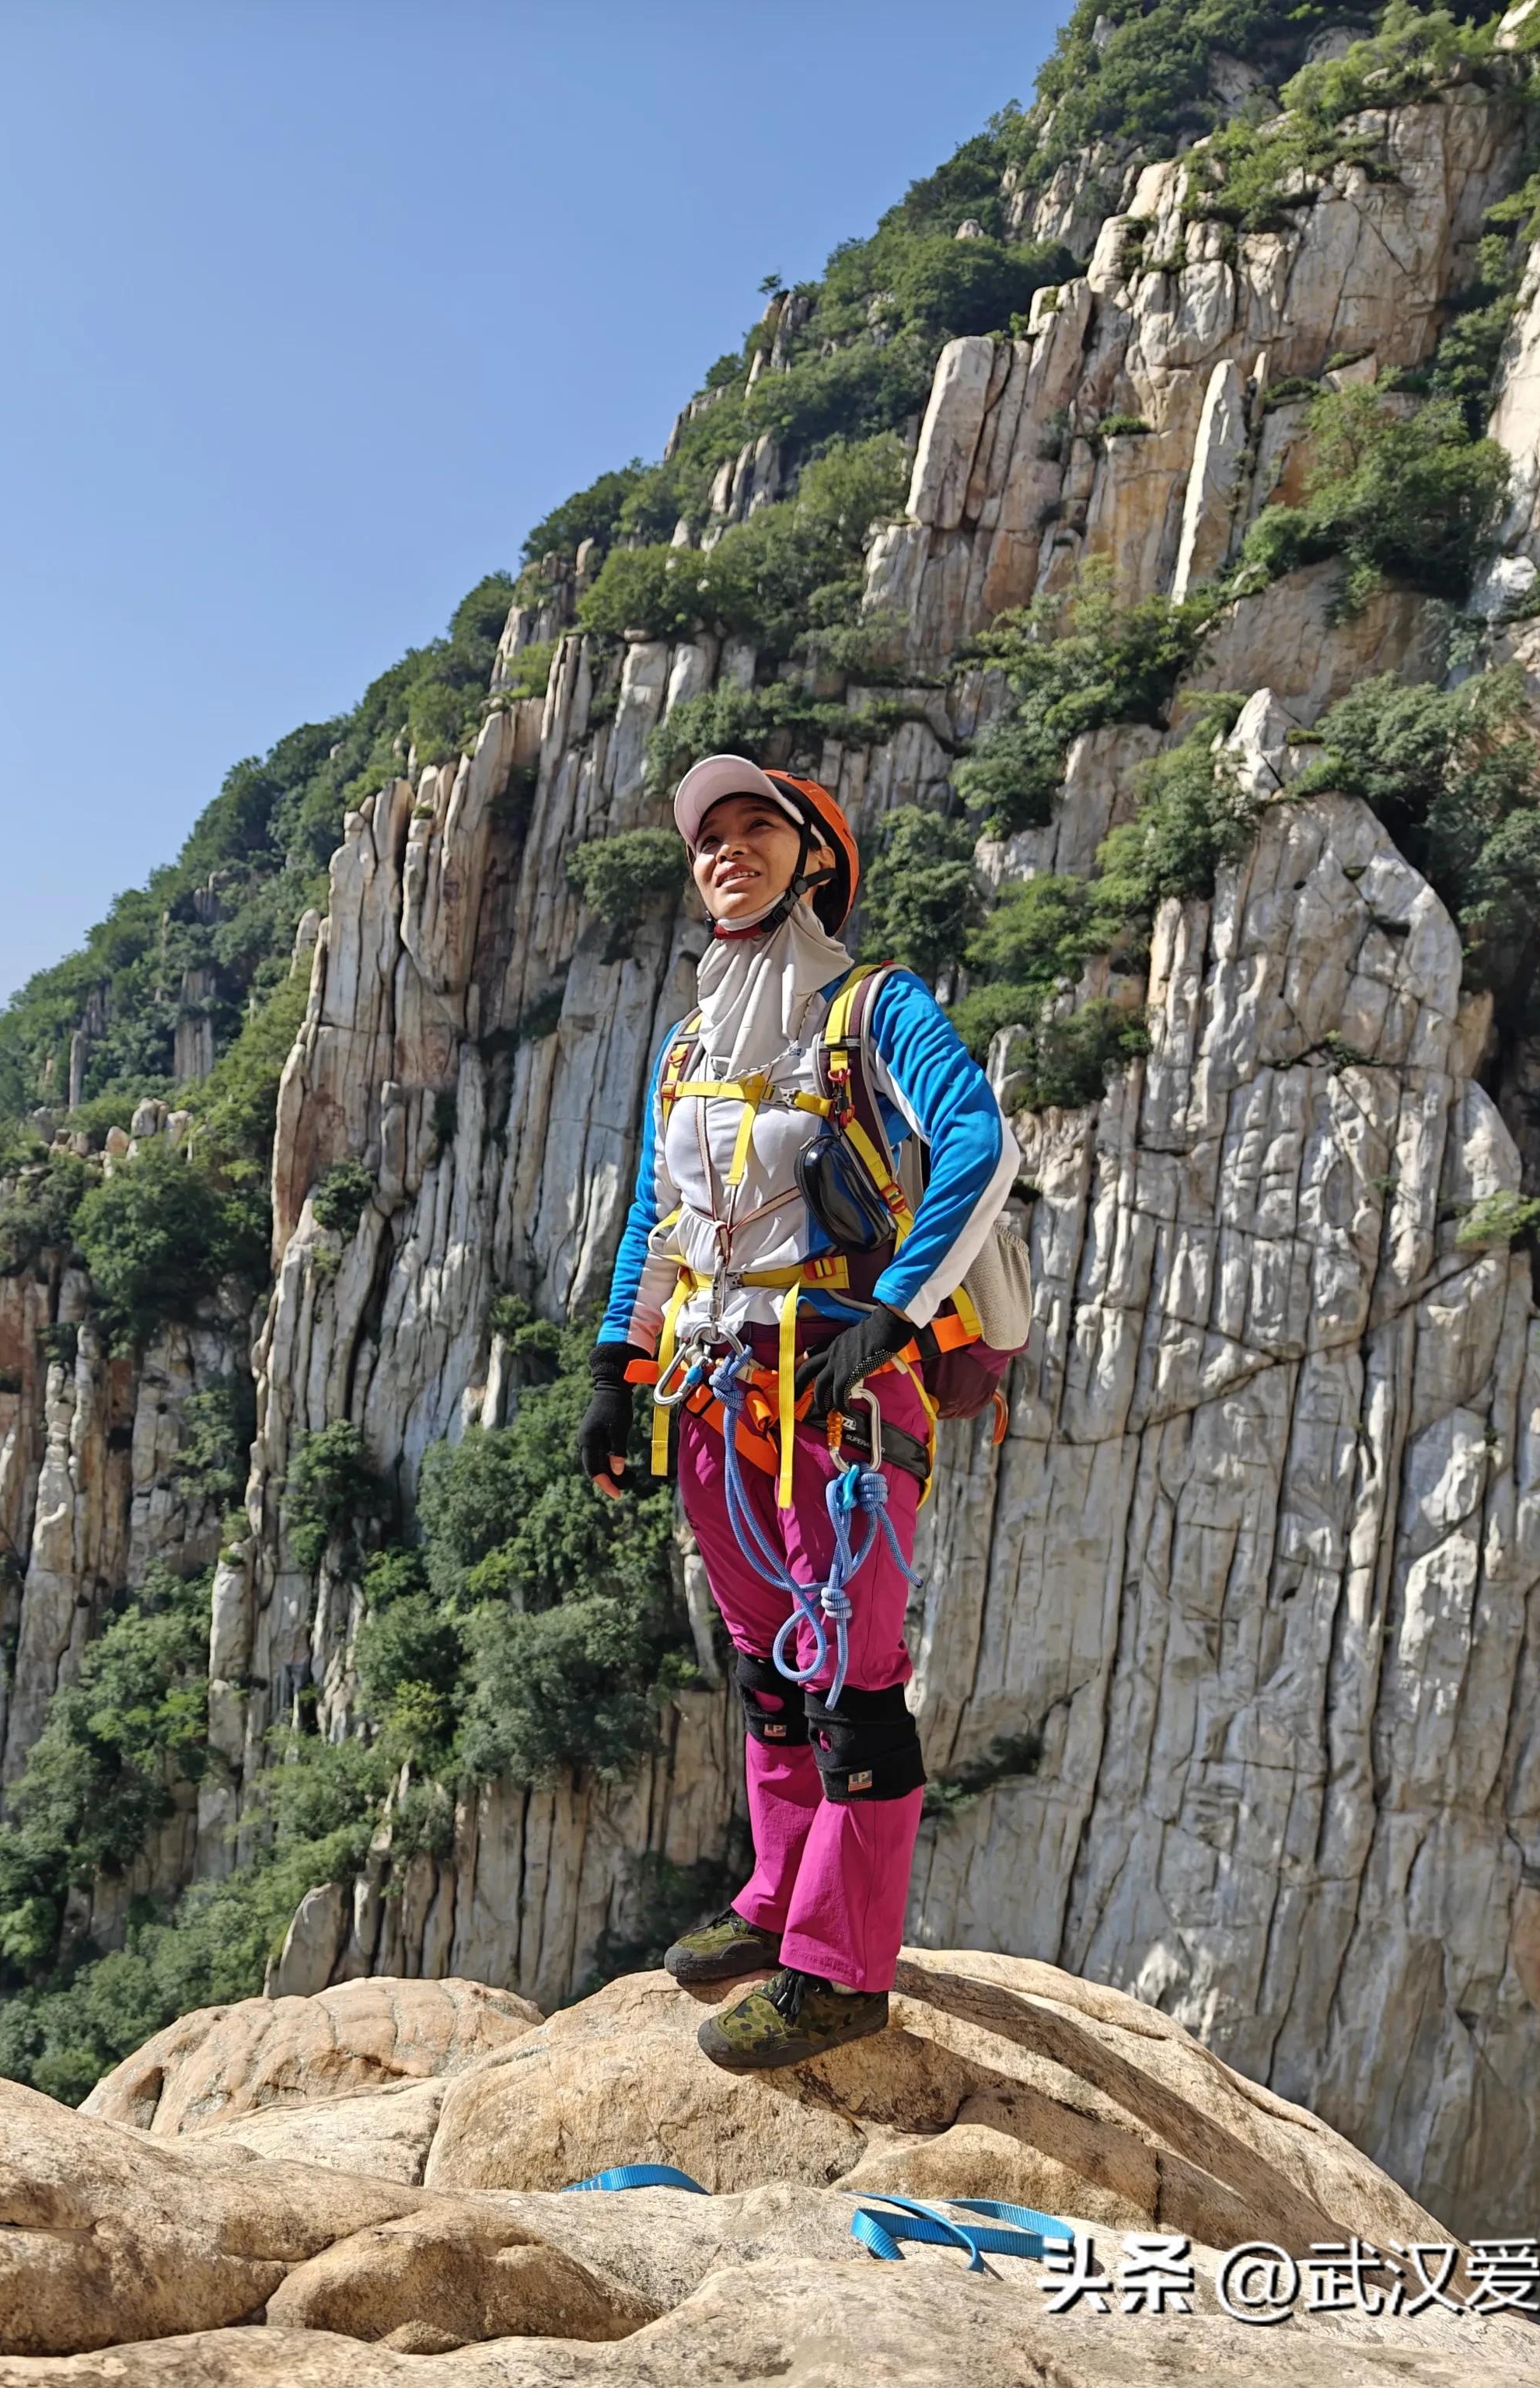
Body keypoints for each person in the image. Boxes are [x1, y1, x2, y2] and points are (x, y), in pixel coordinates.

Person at [574, 752, 1016, 2069]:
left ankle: (842, 1970)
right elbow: (662, 1217)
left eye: (755, 830)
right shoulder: (695, 1042)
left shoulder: (873, 1008)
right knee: (770, 1666)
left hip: (841, 1392)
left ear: (811, 855)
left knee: (854, 1684)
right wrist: (618, 1365)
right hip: (719, 1391)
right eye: (709, 839)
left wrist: (893, 1309)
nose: (729, 852)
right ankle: (777, 1899)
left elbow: (978, 1142)